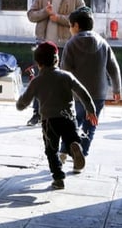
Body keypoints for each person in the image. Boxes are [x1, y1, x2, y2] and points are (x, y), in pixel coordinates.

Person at [16, 41, 98, 189]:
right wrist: (90, 110)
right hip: (68, 117)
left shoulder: (37, 82)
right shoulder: (66, 76)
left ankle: (58, 178)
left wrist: (20, 104)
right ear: (56, 59)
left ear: (38, 62)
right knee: (70, 138)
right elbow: (83, 93)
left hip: (49, 121)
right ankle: (75, 145)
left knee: (51, 150)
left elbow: (25, 100)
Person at [24, 0, 86, 126]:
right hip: (44, 45)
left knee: (65, 81)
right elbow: (31, 15)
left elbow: (83, 20)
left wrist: (58, 18)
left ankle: (65, 113)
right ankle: (37, 114)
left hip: (66, 45)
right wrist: (46, 12)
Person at [59, 7, 122, 165]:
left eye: (70, 25)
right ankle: (82, 155)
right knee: (90, 126)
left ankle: (64, 151)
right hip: (98, 93)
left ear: (77, 26)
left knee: (71, 122)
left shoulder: (71, 44)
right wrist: (117, 89)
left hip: (77, 95)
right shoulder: (102, 43)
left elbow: (65, 71)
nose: (69, 29)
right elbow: (113, 67)